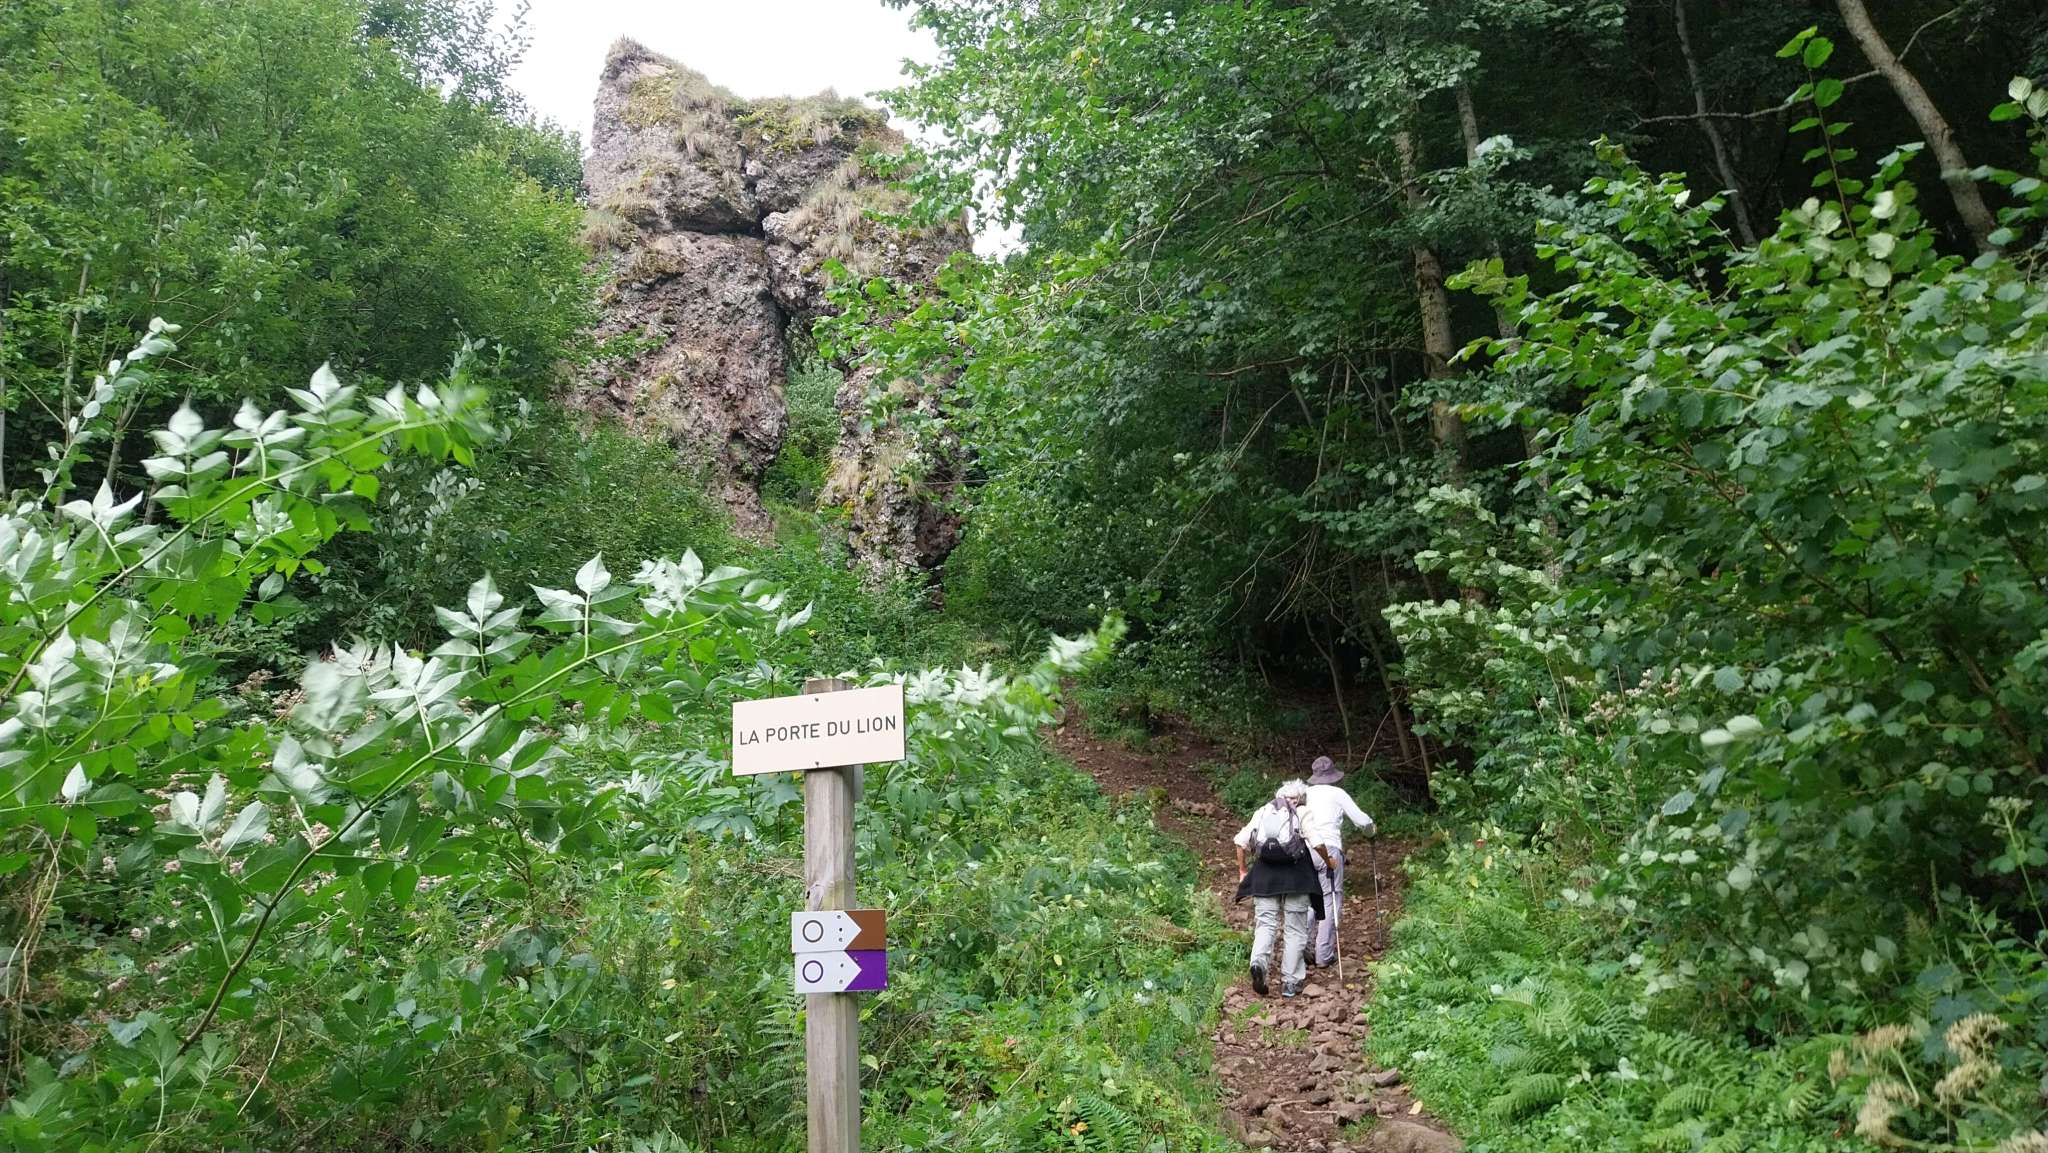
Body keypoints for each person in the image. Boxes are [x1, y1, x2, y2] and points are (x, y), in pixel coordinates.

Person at [1233, 779, 1332, 998]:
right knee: (1295, 930)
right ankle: (1290, 982)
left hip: (1265, 877)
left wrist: (1242, 871)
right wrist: (1329, 861)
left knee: (1265, 924)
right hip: (1297, 878)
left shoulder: (1264, 811)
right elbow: (1317, 843)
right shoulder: (1302, 812)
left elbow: (1240, 842)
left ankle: (1258, 964)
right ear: (1300, 799)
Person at [1302, 756, 1377, 970]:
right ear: (1332, 776)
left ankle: (1305, 947)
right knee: (1331, 899)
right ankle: (1324, 953)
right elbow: (1362, 821)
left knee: (1310, 898)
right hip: (1329, 849)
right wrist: (1371, 832)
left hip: (1305, 849)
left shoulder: (1305, 794)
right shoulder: (1338, 794)